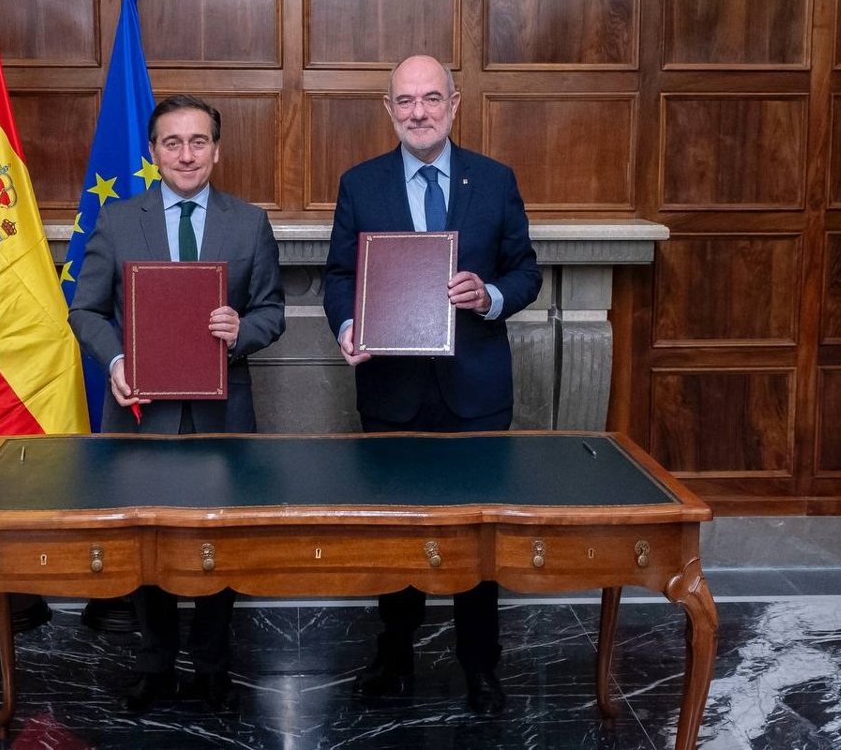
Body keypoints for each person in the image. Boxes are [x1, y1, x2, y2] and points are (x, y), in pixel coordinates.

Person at [322, 55, 542, 714]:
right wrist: (348, 325)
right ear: (388, 109)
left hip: (475, 393)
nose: (418, 112)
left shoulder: (495, 180)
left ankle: (480, 666)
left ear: (454, 103)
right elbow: (338, 277)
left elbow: (525, 271)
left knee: (478, 534)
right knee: (395, 532)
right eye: (406, 101)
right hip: (391, 392)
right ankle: (394, 654)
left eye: (431, 98)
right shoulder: (360, 184)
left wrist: (489, 295)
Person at [69, 94, 285, 714]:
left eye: (198, 142)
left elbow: (272, 312)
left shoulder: (249, 223)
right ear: (154, 152)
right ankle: (155, 663)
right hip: (142, 412)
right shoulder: (118, 220)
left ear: (216, 151)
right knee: (149, 542)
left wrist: (240, 330)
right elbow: (85, 309)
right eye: (173, 142)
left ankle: (214, 666)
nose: (186, 155)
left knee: (220, 541)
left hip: (223, 414)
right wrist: (117, 362)